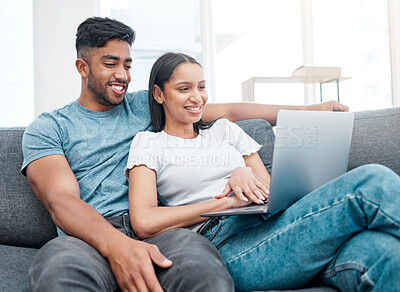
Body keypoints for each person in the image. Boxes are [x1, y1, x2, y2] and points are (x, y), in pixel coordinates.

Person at [21, 17, 347, 292]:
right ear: (82, 67)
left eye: (127, 64)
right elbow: (61, 200)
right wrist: (117, 245)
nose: (123, 74)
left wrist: (308, 109)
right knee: (57, 271)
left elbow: (230, 111)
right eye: (110, 64)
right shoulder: (49, 128)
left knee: (204, 269)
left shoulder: (144, 105)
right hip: (87, 238)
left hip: (163, 231)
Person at [126, 52, 400, 291]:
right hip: (226, 244)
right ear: (159, 94)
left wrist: (244, 174)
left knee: (388, 254)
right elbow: (144, 221)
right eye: (184, 89)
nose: (197, 97)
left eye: (201, 86)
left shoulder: (226, 130)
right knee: (371, 182)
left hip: (275, 225)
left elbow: (269, 193)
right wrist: (227, 202)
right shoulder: (149, 143)